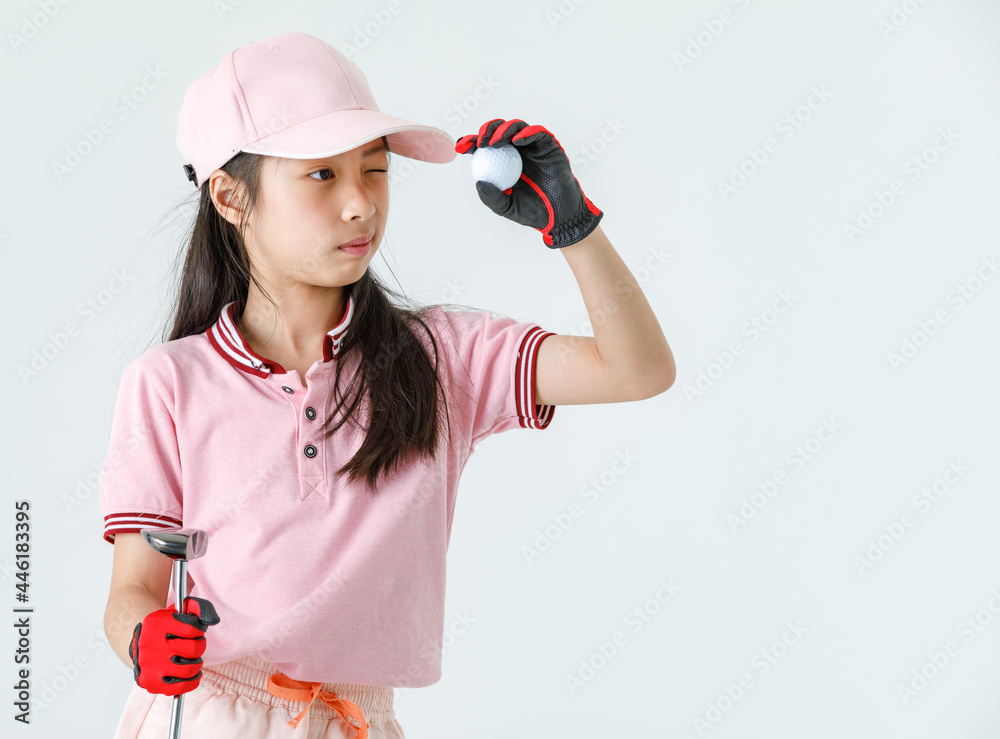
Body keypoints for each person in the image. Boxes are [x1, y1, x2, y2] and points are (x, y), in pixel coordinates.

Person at [100, 30, 675, 739]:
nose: (360, 205)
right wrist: (142, 640)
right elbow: (132, 589)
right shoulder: (169, 382)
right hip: (210, 716)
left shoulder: (443, 357)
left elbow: (638, 369)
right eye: (322, 175)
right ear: (229, 196)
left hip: (357, 723)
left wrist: (576, 228)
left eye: (374, 171)